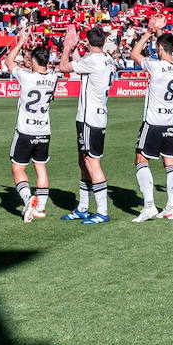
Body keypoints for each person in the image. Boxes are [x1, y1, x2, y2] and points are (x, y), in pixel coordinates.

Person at [58, 25, 116, 224]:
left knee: (92, 162)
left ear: (88, 43)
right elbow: (81, 64)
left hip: (90, 118)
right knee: (84, 162)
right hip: (93, 117)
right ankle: (83, 207)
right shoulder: (107, 59)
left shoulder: (93, 60)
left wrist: (67, 47)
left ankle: (102, 211)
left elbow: (64, 67)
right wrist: (75, 49)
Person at [131, 13, 173, 222]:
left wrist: (149, 33)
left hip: (153, 123)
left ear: (160, 49)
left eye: (157, 48)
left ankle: (149, 206)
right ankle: (170, 208)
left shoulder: (155, 65)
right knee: (170, 162)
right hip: (171, 122)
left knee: (141, 159)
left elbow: (135, 54)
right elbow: (166, 46)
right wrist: (160, 33)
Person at [3, 29, 59, 223]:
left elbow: (9, 61)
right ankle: (41, 208)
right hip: (44, 130)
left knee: (17, 168)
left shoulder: (26, 77)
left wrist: (21, 41)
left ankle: (28, 200)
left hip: (26, 130)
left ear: (34, 61)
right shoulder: (53, 78)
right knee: (41, 168)